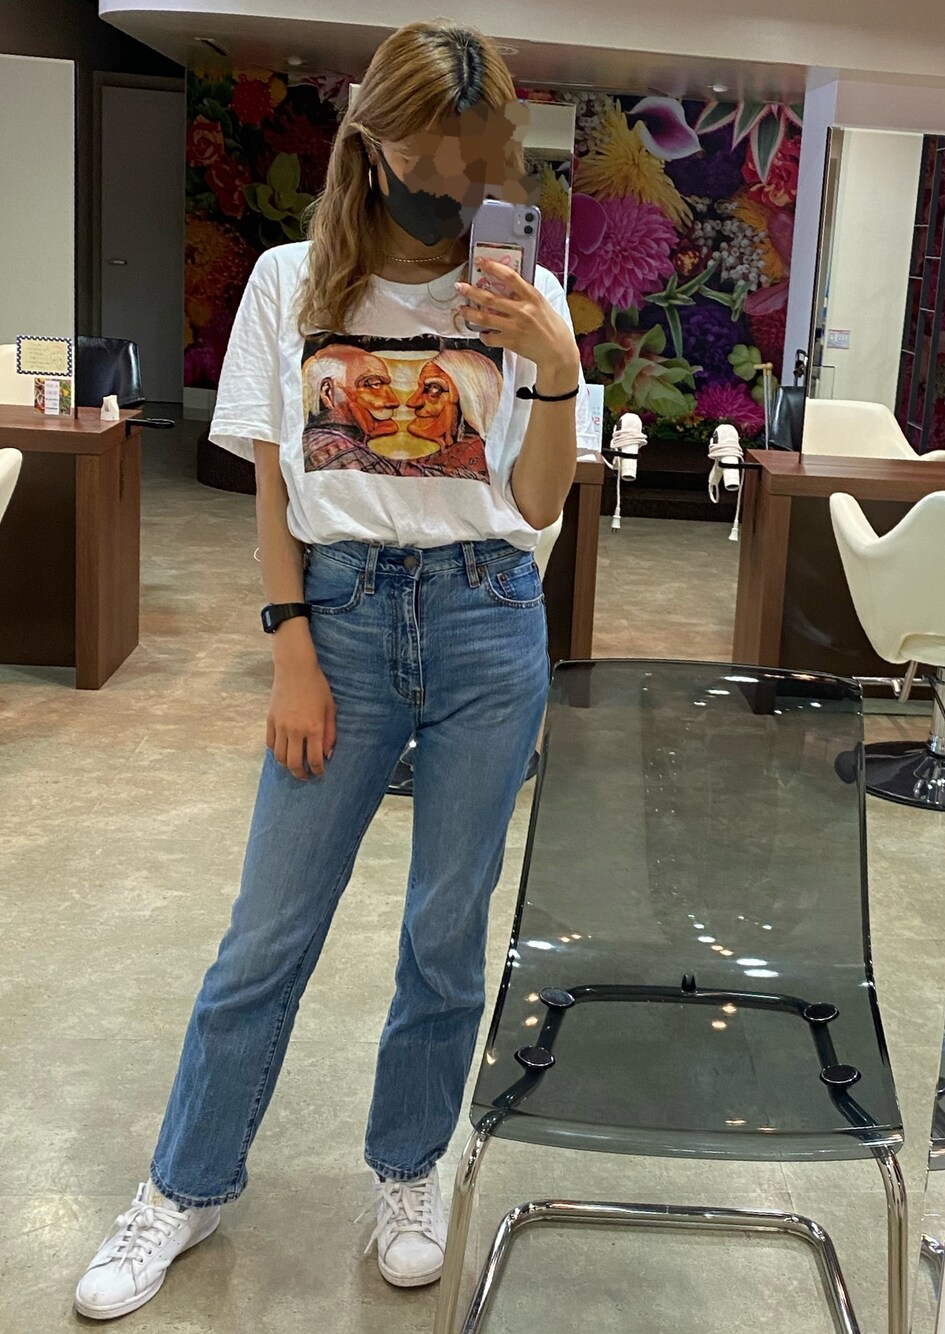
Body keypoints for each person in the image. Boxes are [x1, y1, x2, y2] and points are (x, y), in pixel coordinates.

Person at [74, 18, 586, 1322]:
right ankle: (186, 1183)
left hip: (487, 622)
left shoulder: (522, 292)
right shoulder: (291, 284)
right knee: (268, 931)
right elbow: (271, 487)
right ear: (373, 141)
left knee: (444, 933)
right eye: (424, 153)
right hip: (342, 618)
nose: (448, 183)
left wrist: (561, 369)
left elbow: (535, 506)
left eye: (471, 160)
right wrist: (290, 645)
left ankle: (408, 1169)